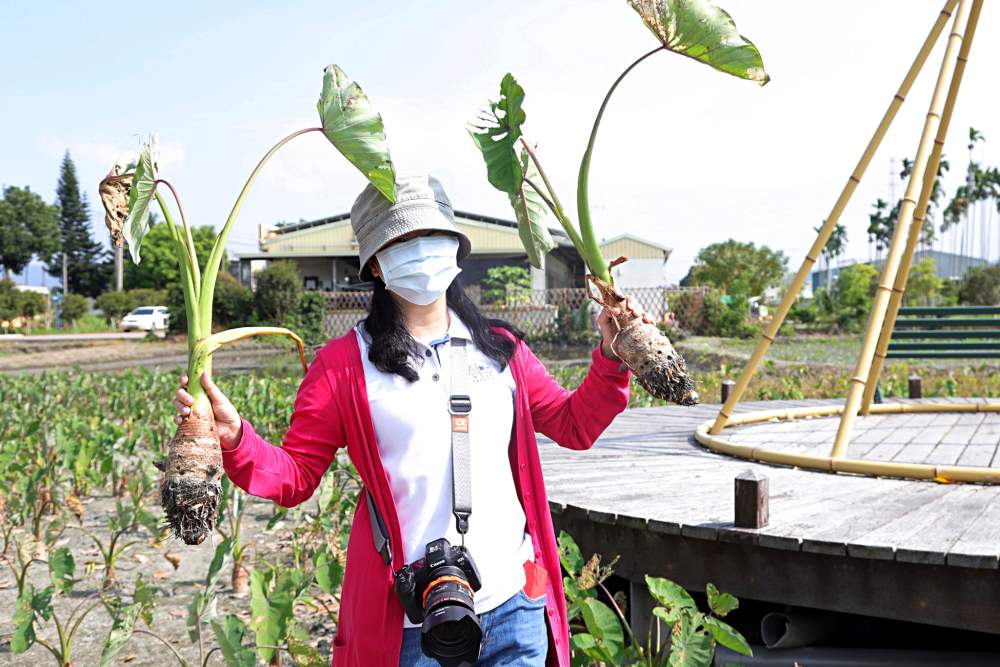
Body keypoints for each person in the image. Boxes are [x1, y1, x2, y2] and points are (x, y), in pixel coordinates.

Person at [173, 174, 653, 667]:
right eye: (401, 241)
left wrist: (613, 356)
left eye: (431, 236)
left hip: (515, 603)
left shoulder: (502, 348)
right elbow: (295, 475)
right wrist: (235, 439)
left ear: (455, 247)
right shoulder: (343, 365)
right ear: (376, 265)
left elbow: (574, 425)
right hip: (410, 625)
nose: (421, 251)